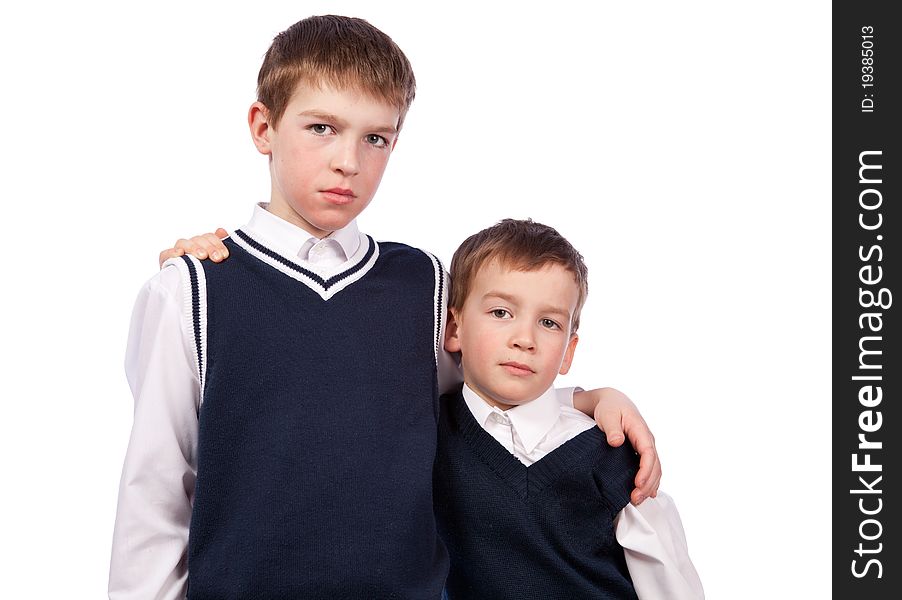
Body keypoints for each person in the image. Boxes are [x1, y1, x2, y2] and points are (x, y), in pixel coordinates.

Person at [111, 15, 661, 599]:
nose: (349, 160)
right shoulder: (192, 289)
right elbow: (156, 494)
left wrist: (589, 398)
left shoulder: (424, 282)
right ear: (263, 126)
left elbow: (490, 394)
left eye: (376, 138)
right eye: (322, 127)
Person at [434, 218, 703, 599]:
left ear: (568, 352)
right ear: (454, 327)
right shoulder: (428, 433)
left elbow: (670, 585)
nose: (524, 339)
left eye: (548, 322)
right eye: (501, 313)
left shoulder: (611, 457)